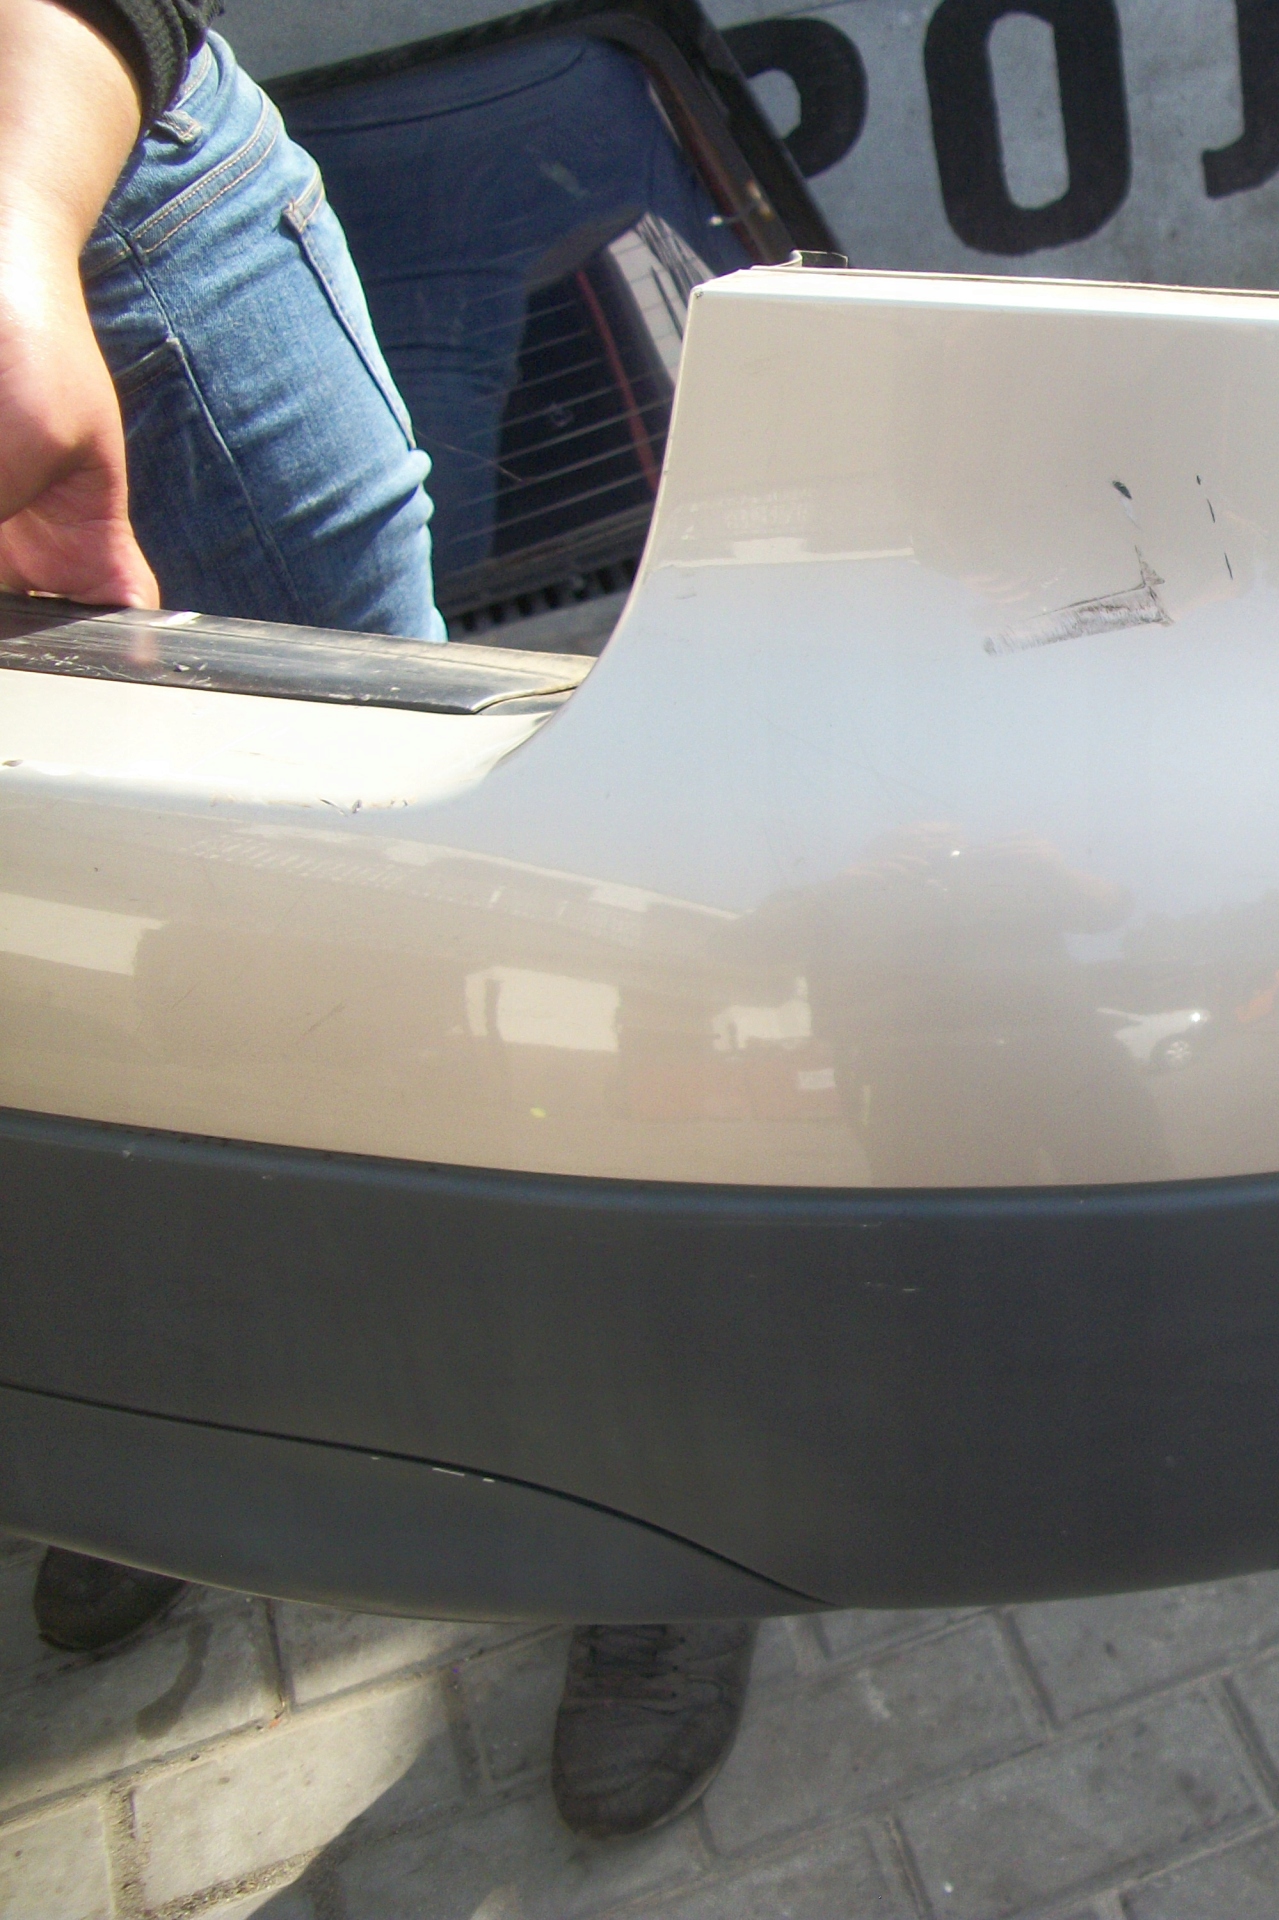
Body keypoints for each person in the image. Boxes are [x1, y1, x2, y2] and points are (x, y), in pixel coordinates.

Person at [0, 0, 755, 1839]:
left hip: (94, 255)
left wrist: (11, 227)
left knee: (424, 992)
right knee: (77, 1007)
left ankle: (660, 1517)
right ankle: (188, 1435)